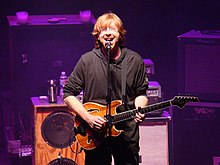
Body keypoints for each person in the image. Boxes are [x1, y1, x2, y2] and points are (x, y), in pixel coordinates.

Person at [63, 12, 149, 165]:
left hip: (126, 131)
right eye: (103, 30)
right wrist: (88, 118)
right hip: (95, 133)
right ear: (98, 35)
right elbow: (68, 94)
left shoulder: (134, 60)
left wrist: (140, 108)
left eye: (113, 29)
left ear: (120, 35)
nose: (108, 33)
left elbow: (141, 94)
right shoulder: (87, 60)